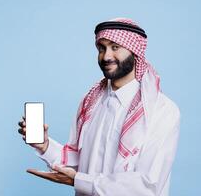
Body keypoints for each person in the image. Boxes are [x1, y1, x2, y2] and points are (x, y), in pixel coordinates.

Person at [18, 17, 180, 196]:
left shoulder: (161, 110)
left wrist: (79, 181)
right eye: (101, 48)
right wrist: (45, 146)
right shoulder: (90, 102)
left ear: (135, 51)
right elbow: (80, 163)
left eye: (115, 47)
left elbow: (146, 186)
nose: (106, 56)